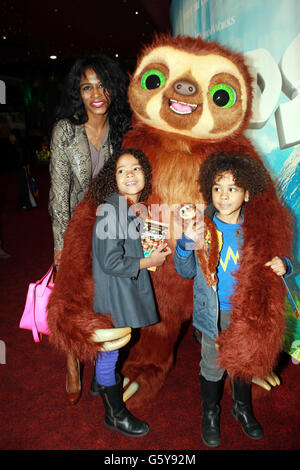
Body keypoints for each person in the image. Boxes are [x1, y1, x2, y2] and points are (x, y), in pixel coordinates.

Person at [174, 153, 293, 447]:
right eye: (217, 187)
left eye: (233, 188)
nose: (224, 195)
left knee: (243, 364)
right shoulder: (202, 227)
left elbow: (287, 259)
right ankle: (210, 412)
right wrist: (186, 242)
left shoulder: (259, 231)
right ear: (208, 190)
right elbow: (185, 269)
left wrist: (285, 265)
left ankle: (242, 409)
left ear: (247, 192)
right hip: (213, 314)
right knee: (212, 365)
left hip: (247, 313)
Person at [48, 54, 131, 405]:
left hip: (110, 225)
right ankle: (72, 362)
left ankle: (100, 356)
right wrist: (60, 243)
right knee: (73, 297)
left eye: (101, 85)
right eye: (87, 87)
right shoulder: (66, 131)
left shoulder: (121, 129)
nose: (95, 93)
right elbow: (58, 192)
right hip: (76, 228)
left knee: (105, 295)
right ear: (78, 94)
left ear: (112, 89)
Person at [89, 148, 171, 436]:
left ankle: (100, 383)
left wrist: (149, 250)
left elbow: (124, 249)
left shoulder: (128, 208)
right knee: (112, 349)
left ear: (145, 175)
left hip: (119, 288)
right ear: (113, 180)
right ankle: (115, 415)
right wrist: (150, 261)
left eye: (135, 168)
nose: (129, 174)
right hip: (113, 294)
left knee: (113, 348)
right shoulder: (113, 210)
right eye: (121, 171)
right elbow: (110, 261)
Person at [9, 129, 32, 210]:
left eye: (11, 136)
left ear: (14, 136)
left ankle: (26, 204)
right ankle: (23, 203)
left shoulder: (18, 144)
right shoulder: (18, 143)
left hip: (21, 168)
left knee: (23, 186)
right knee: (22, 186)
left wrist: (20, 166)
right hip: (22, 167)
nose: (10, 137)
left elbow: (21, 157)